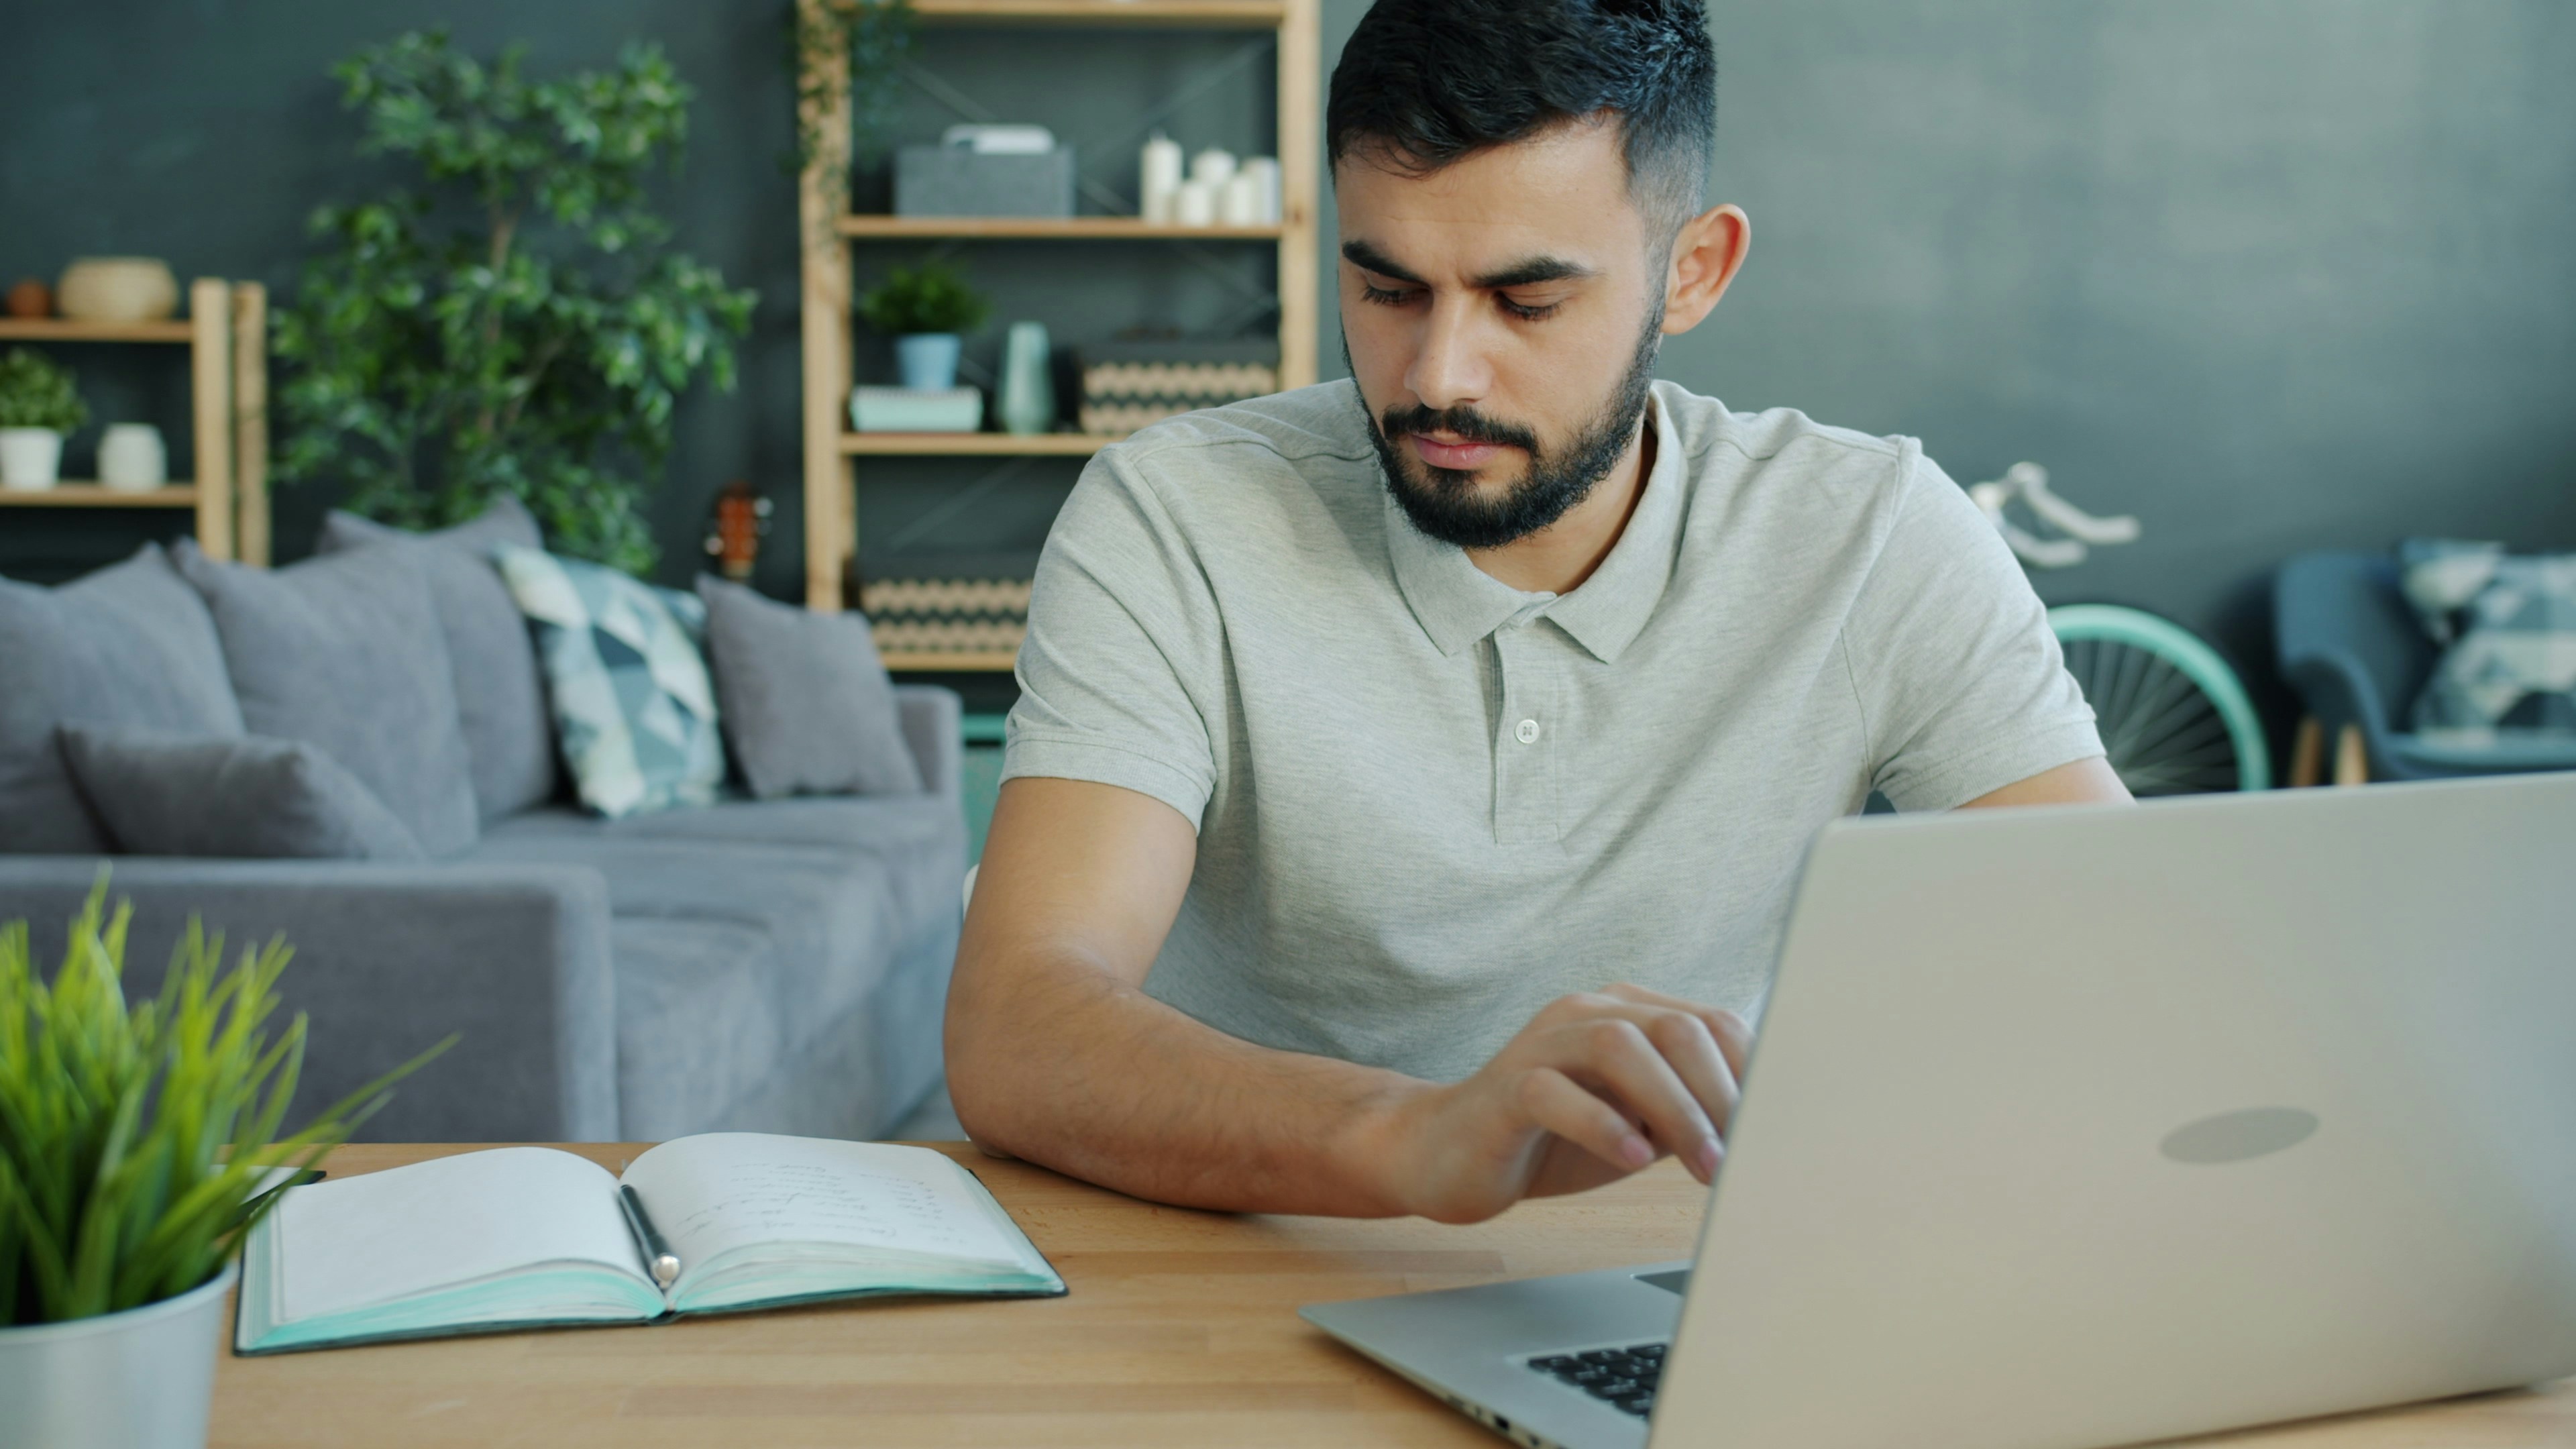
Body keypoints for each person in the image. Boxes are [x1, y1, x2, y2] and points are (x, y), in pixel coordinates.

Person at [945, 0, 2129, 1224]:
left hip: (1667, 1268)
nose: (1438, 375)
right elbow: (1018, 1028)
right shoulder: (1176, 515)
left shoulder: (1872, 534)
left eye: (1527, 302)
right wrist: (1418, 1135)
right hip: (1234, 1255)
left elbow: (2130, 952)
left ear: (1694, 272)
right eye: (1389, 289)